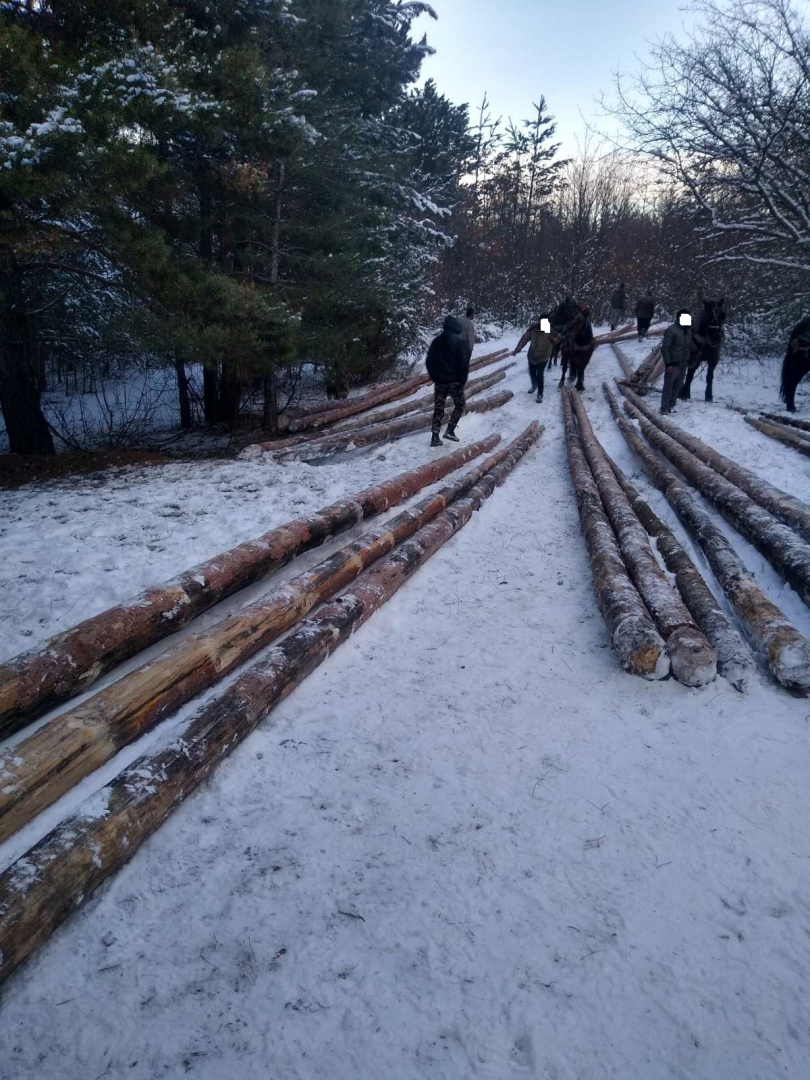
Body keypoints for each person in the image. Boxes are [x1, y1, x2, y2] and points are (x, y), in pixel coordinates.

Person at [426, 315, 471, 446]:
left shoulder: (436, 341)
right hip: (454, 381)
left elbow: (429, 361)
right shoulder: (460, 341)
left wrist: (435, 377)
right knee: (460, 404)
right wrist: (462, 380)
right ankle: (450, 430)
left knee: (438, 408)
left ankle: (435, 436)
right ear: (456, 326)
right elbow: (464, 362)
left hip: (440, 382)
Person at [512, 315, 557, 403]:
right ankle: (534, 384)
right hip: (532, 355)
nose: (543, 323)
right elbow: (524, 340)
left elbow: (558, 338)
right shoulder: (533, 330)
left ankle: (540, 394)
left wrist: (555, 340)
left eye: (545, 321)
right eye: (541, 321)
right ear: (539, 321)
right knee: (532, 373)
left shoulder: (550, 331)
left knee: (540, 374)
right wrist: (517, 350)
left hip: (543, 356)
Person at [660, 310, 693, 415]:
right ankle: (664, 407)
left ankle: (672, 405)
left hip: (683, 363)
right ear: (679, 318)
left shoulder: (688, 331)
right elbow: (665, 348)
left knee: (677, 386)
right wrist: (668, 363)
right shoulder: (671, 330)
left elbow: (689, 346)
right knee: (668, 386)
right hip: (673, 364)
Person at [559, 301, 595, 392]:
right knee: (566, 343)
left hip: (582, 331)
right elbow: (569, 322)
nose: (582, 305)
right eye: (581, 304)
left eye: (584, 303)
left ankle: (579, 378)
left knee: (591, 342)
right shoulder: (572, 312)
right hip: (573, 329)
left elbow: (587, 320)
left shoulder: (587, 313)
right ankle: (563, 372)